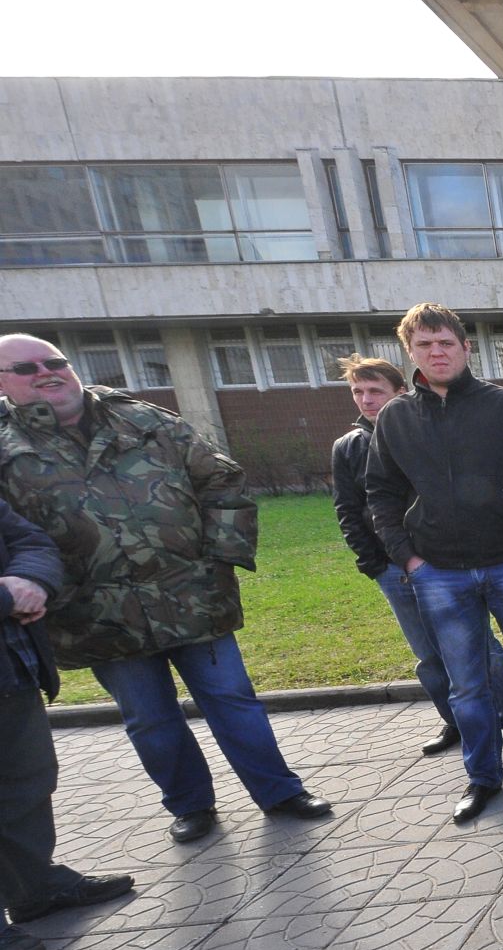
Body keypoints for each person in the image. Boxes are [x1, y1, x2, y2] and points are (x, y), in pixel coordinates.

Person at [0, 334, 331, 844]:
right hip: (98, 613)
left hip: (191, 596)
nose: (47, 372)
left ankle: (280, 792)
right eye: (26, 368)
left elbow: (220, 481)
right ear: (3, 384)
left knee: (233, 699)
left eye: (55, 361)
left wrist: (220, 558)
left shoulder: (141, 418)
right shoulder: (6, 448)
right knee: (149, 719)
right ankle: (190, 805)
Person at [364, 304, 503, 823]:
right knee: (467, 686)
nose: (436, 352)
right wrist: (409, 558)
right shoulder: (397, 417)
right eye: (424, 346)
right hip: (438, 573)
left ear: (466, 347)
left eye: (445, 342)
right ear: (411, 354)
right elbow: (380, 492)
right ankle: (483, 777)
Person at [330, 354, 503, 756]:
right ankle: (457, 722)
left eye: (375, 391)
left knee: (480, 648)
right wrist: (375, 562)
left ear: (400, 392)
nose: (366, 400)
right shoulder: (348, 448)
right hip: (392, 568)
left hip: (442, 563)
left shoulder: (423, 434)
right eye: (358, 392)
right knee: (428, 654)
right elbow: (350, 510)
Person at [0, 496, 134, 950]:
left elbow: (29, 539)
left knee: (26, 783)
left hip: (11, 669)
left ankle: (33, 889)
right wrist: (6, 596)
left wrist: (31, 580)